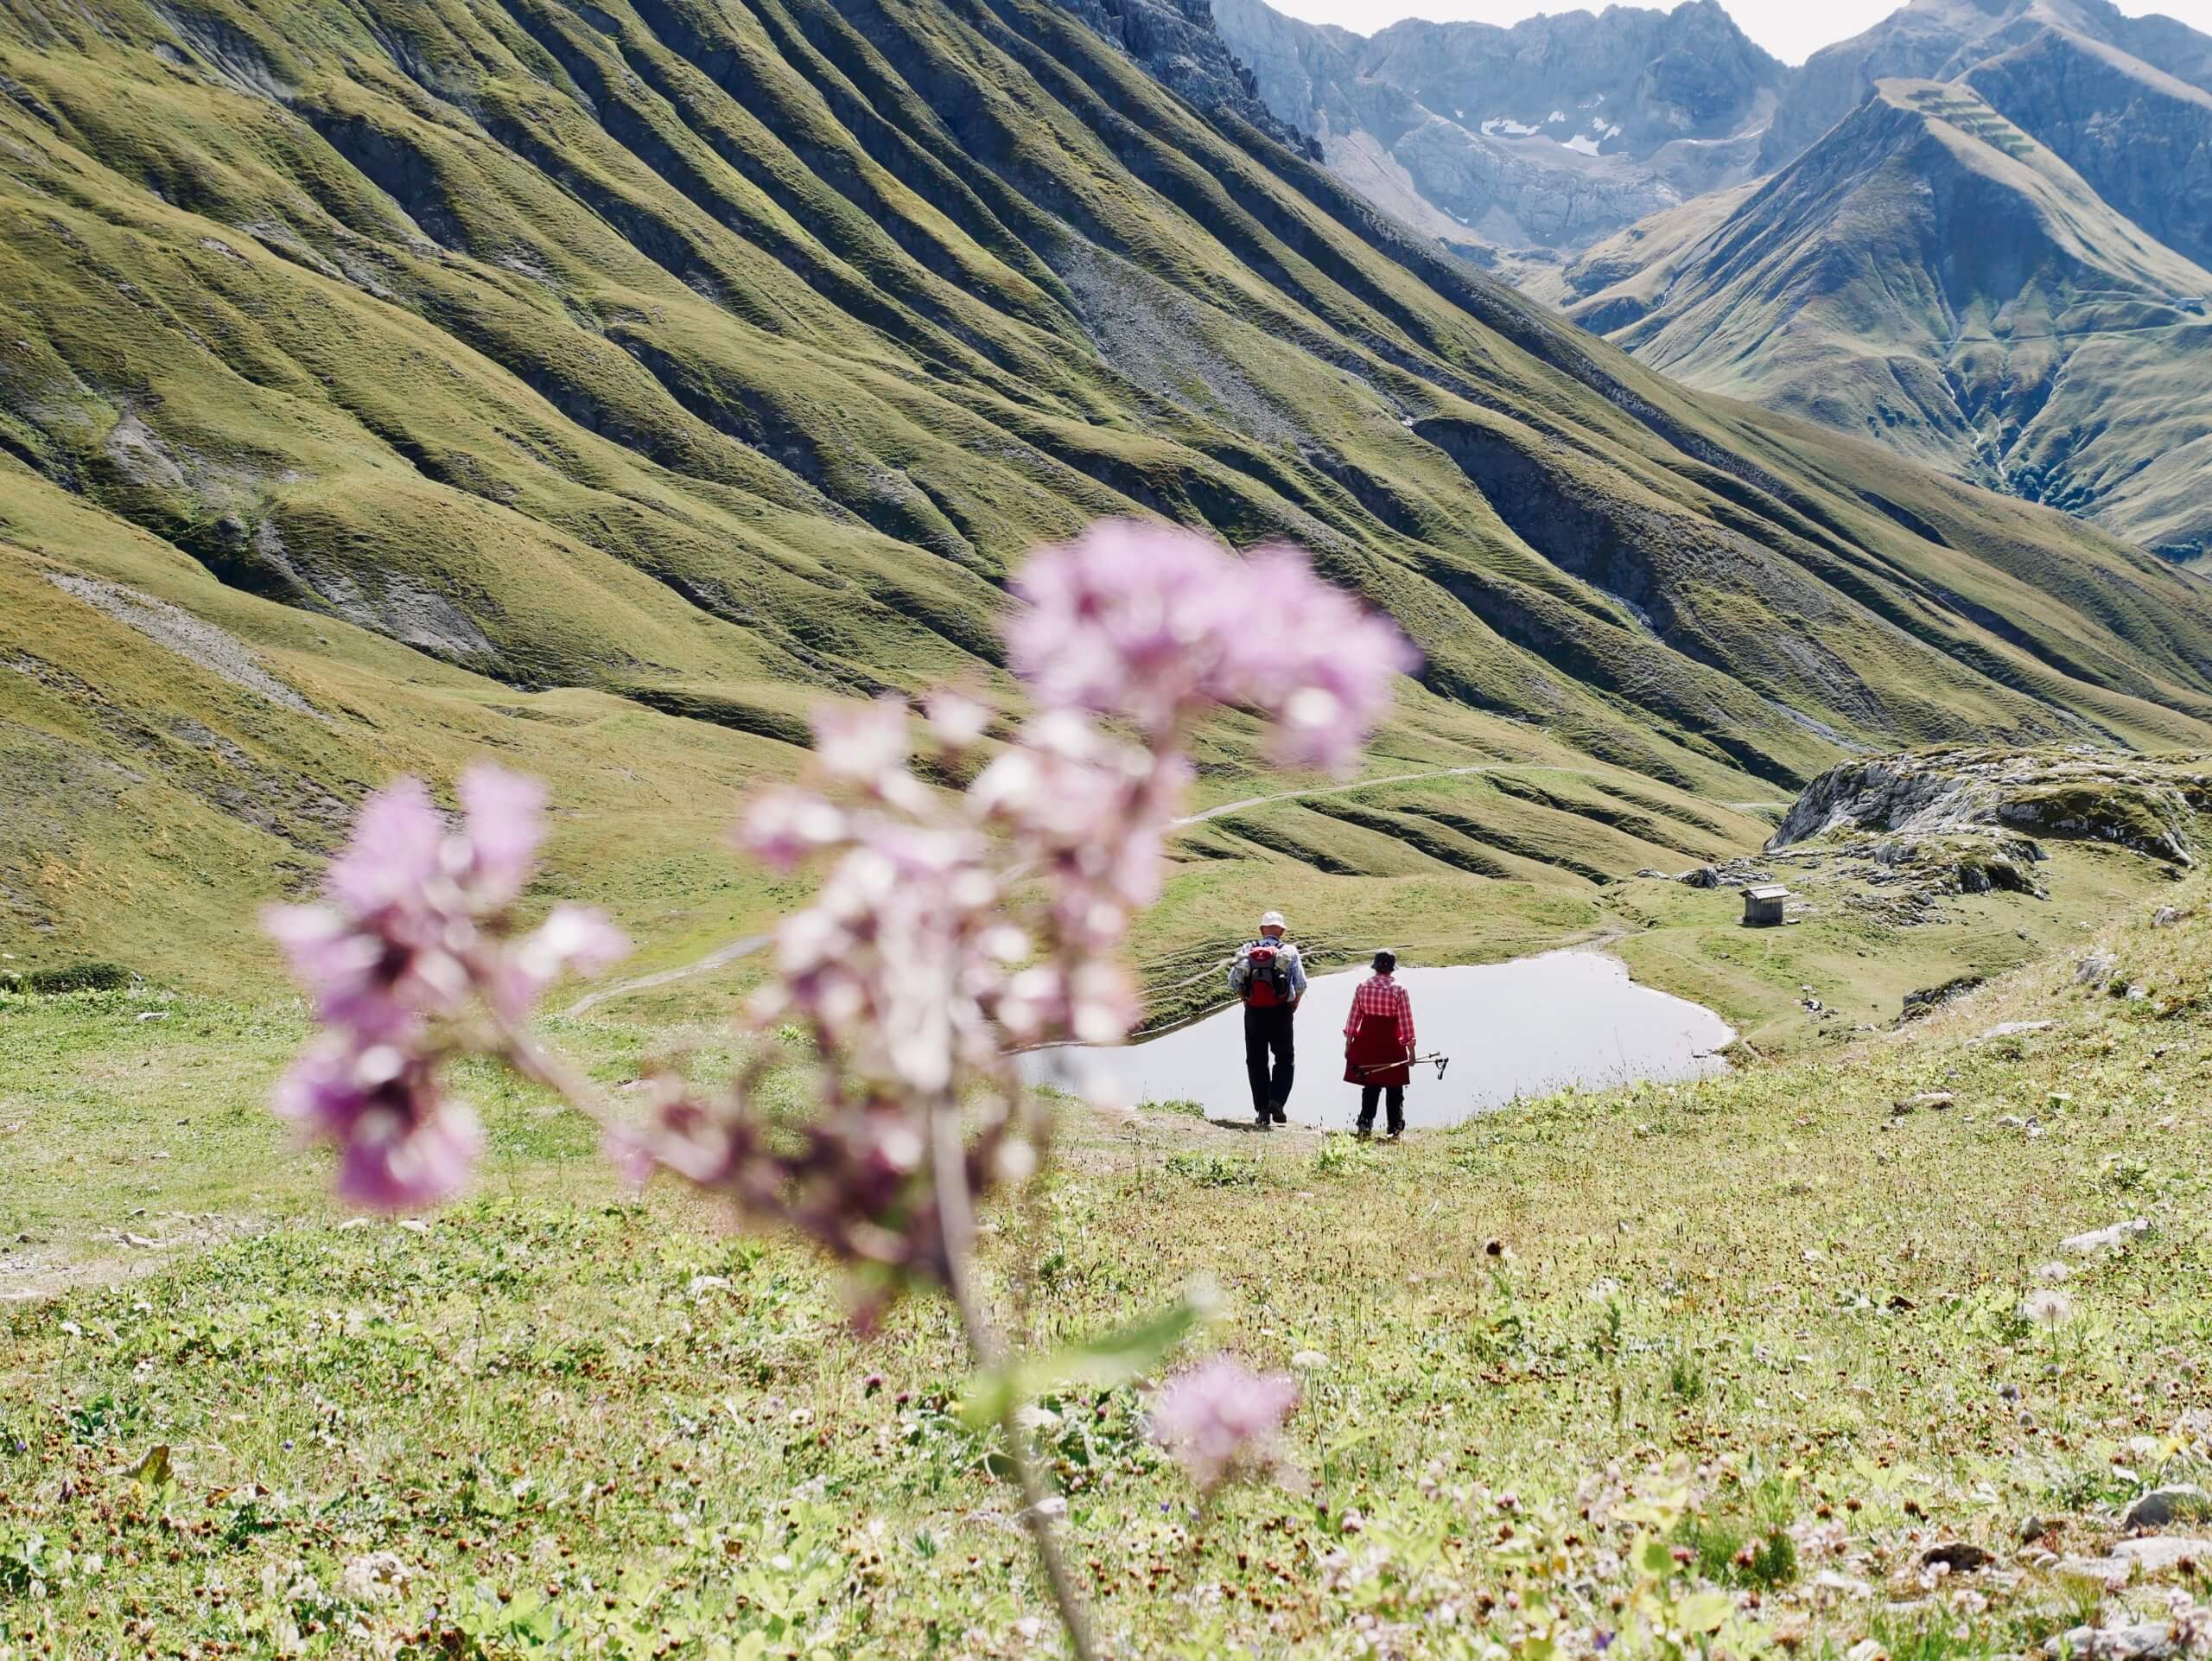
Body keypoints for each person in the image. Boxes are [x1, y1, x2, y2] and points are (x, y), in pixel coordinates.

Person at [1229, 910, 1306, 1128]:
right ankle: (1277, 1102)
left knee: (1256, 1061)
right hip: (1282, 1011)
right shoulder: (1289, 951)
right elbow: (1301, 984)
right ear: (1282, 931)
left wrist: (1245, 998)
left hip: (1254, 1012)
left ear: (1262, 930)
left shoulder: (1247, 949)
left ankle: (1262, 1111)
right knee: (1284, 1058)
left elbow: (1233, 982)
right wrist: (1295, 1003)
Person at [1343, 950, 1415, 1139]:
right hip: (1391, 1045)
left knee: (1370, 1084)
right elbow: (1406, 1023)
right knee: (1395, 1087)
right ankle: (1394, 1128)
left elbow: (1353, 1018)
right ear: (1392, 968)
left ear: (1375, 967)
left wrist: (1348, 1044)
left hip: (1368, 1043)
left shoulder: (1362, 987)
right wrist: (1411, 1051)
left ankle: (1365, 1123)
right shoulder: (1399, 990)